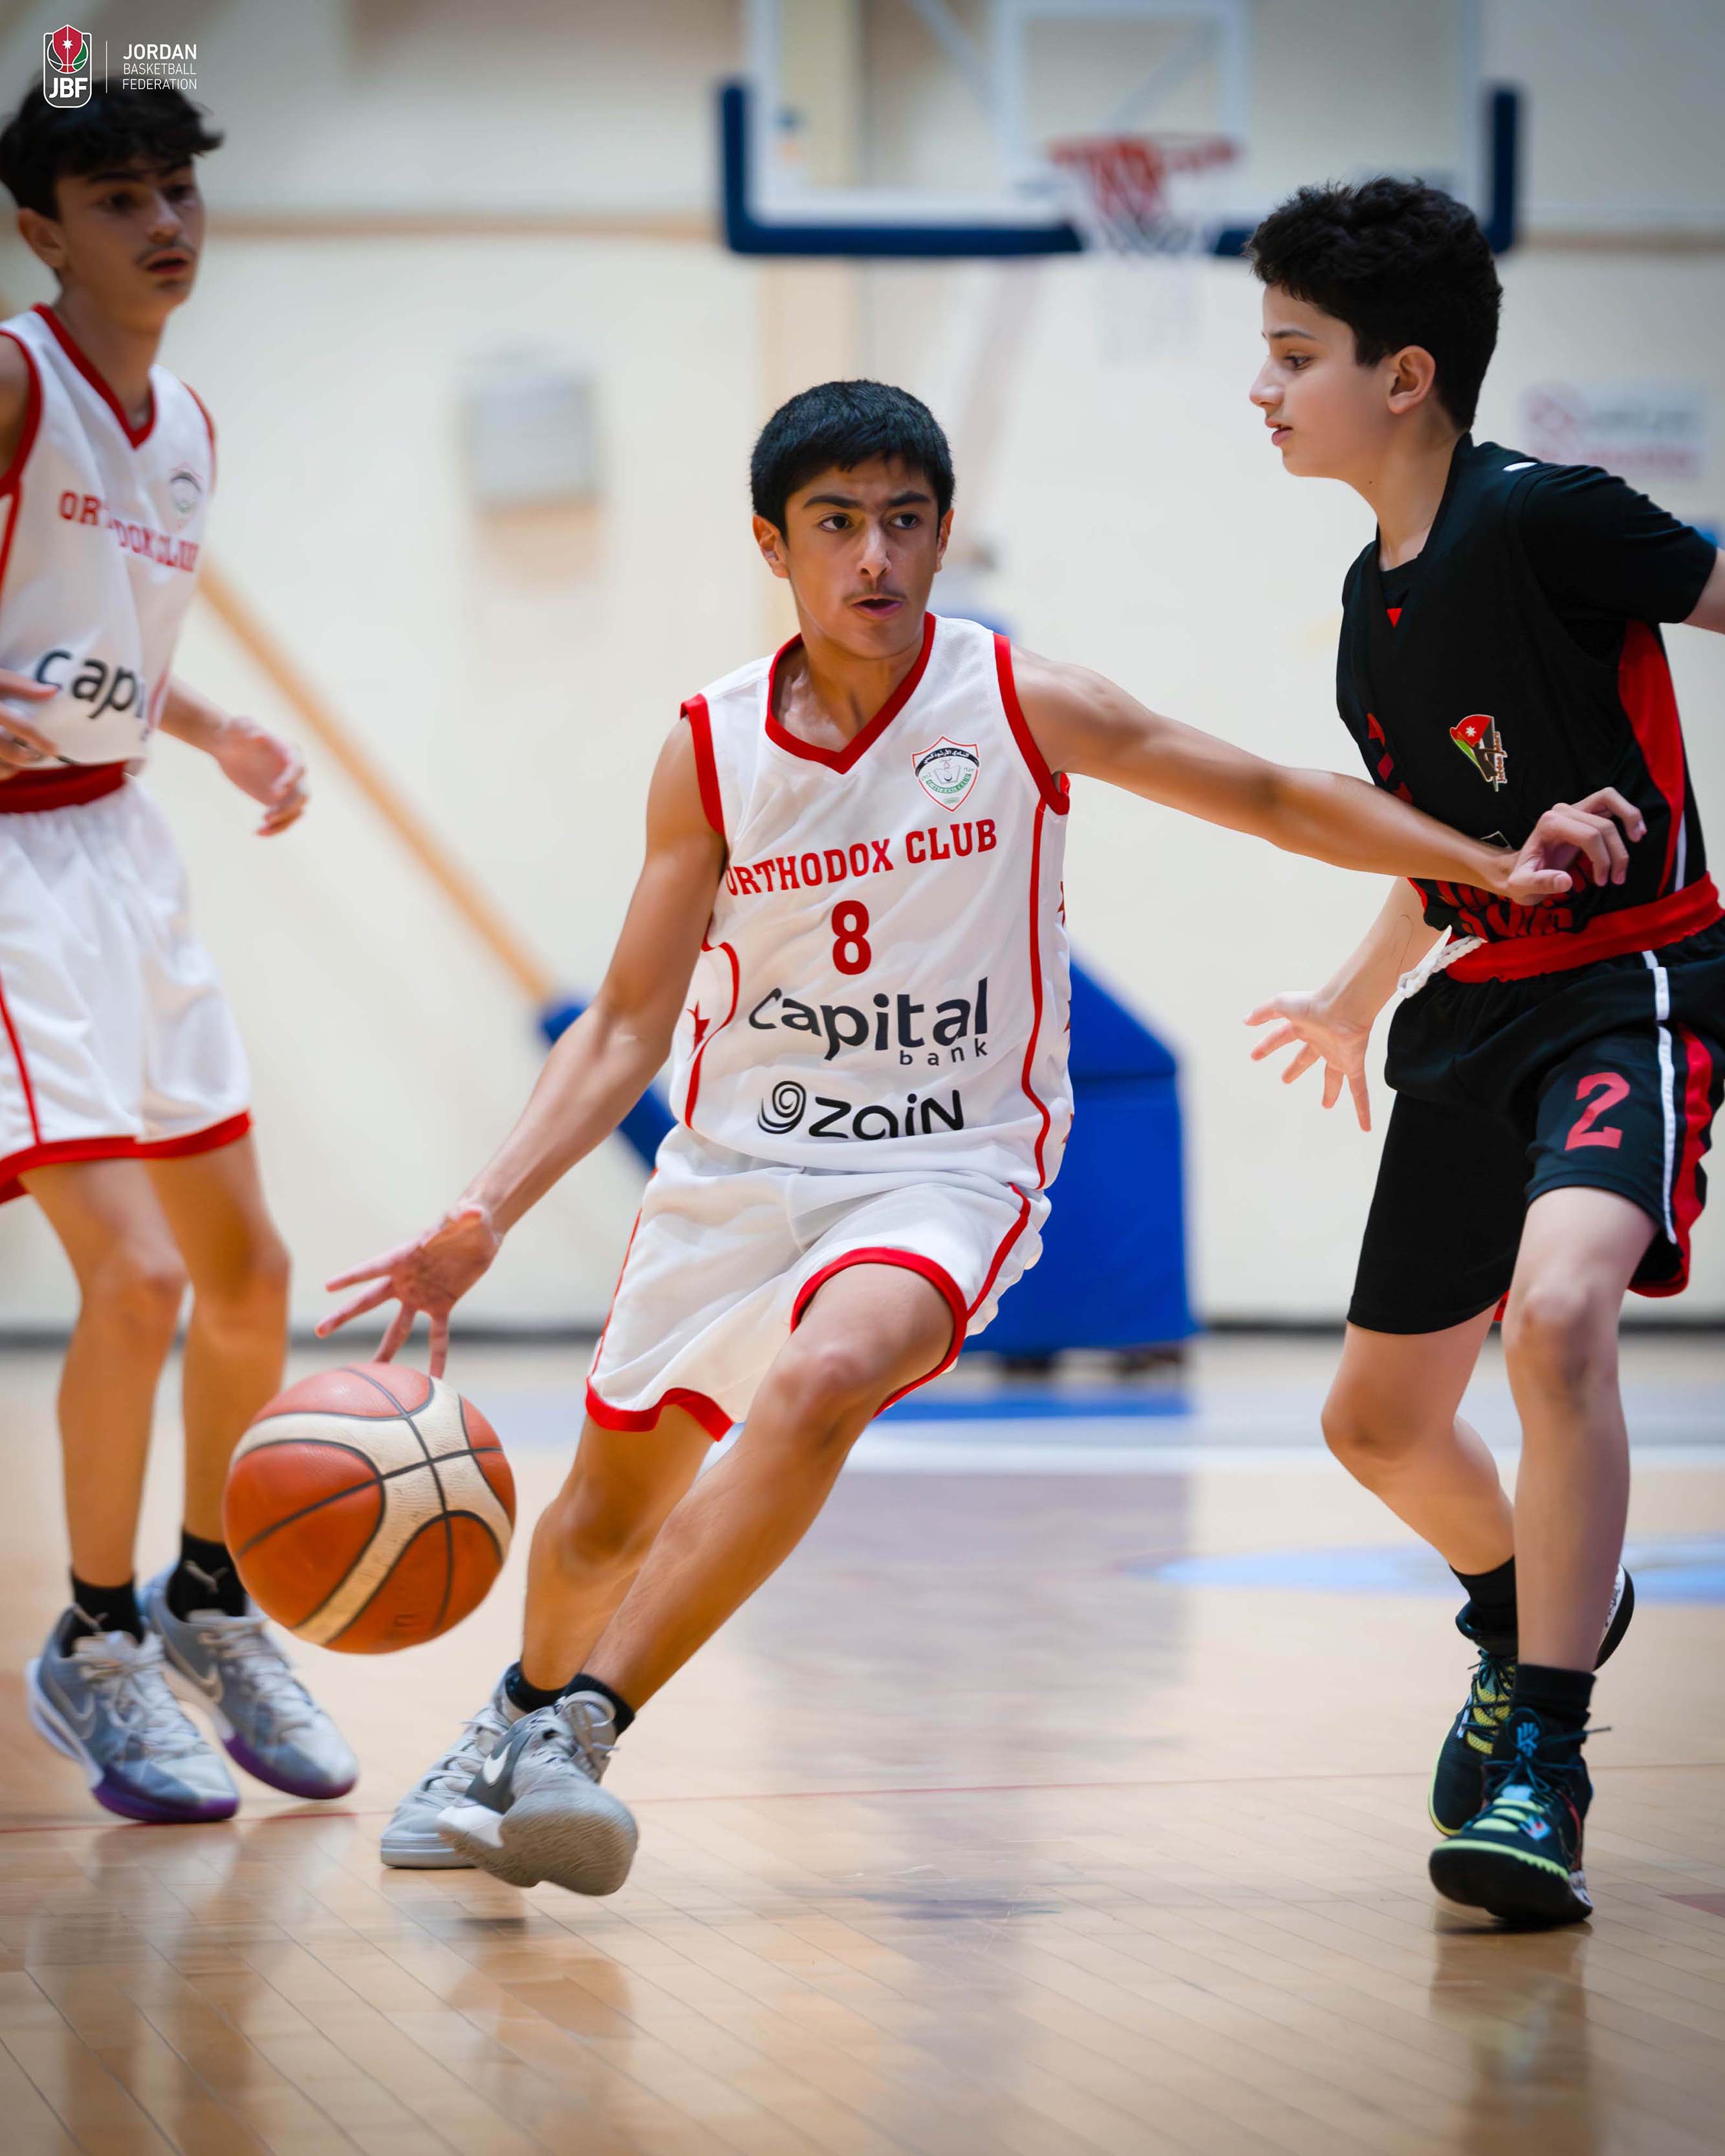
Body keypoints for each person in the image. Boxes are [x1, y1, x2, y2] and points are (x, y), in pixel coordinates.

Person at [322, 378, 1634, 1898]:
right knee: (596, 1525)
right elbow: (624, 1022)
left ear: (943, 536)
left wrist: (1484, 860)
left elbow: (1273, 793)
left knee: (824, 1374)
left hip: (945, 1164)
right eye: (835, 523)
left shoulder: (1021, 700)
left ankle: (578, 1733)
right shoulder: (712, 746)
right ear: (772, 544)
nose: (873, 554)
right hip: (737, 1169)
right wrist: (486, 1205)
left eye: (903, 520)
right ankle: (514, 1724)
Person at [1244, 179, 1724, 1926]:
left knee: (1559, 1313)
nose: (1261, 388)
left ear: (1404, 375)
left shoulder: (1547, 517)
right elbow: (1444, 848)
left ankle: (1544, 1753)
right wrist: (1350, 991)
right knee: (1374, 1422)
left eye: (1292, 353)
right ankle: (1530, 1611)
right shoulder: (1365, 603)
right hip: (1472, 1009)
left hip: (1627, 982)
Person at [0, 86, 354, 1822]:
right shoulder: (15, 381)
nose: (163, 222)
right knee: (135, 1279)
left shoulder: (185, 423)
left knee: (250, 1272)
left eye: (178, 190)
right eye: (118, 196)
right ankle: (93, 1636)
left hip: (123, 847)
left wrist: (213, 730)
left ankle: (210, 1599)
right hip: (8, 863)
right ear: (41, 232)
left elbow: (106, 642)